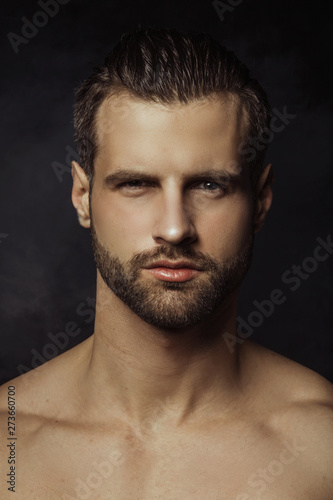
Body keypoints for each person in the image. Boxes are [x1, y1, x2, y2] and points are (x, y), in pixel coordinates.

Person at [1, 27, 332, 500]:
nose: (175, 228)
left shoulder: (321, 447)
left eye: (210, 186)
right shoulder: (8, 444)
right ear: (82, 195)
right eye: (137, 184)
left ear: (260, 200)